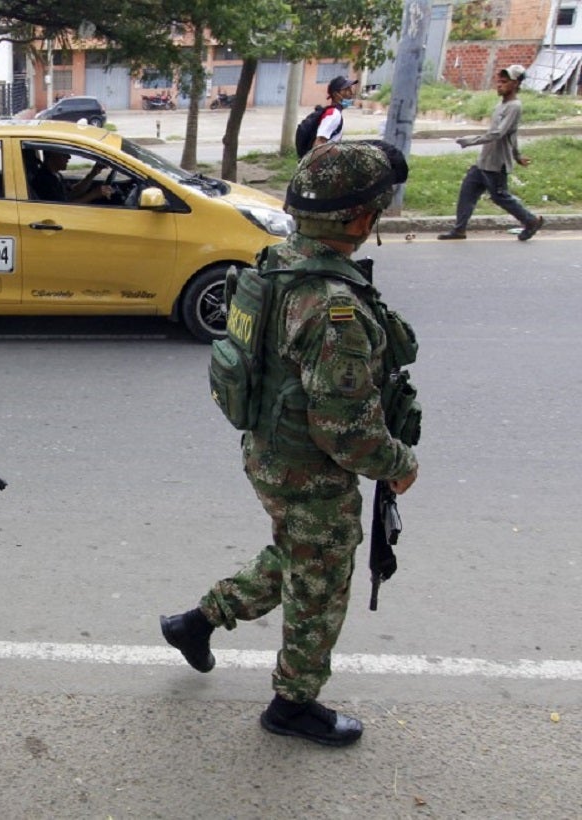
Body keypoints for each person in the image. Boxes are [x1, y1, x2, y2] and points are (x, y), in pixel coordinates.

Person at [160, 141, 419, 747]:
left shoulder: (277, 261)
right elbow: (346, 429)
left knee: (303, 556)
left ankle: (197, 622)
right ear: (359, 220)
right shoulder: (333, 308)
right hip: (309, 464)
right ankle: (293, 704)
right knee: (322, 582)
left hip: (269, 450)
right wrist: (400, 464)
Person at [438, 64, 544, 241]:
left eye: (505, 82)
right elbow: (513, 134)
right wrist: (518, 156)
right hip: (484, 161)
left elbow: (499, 133)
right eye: (499, 81)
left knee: (500, 197)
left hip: (496, 163)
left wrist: (470, 141)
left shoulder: (514, 107)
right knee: (467, 192)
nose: (500, 85)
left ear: (516, 84)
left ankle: (531, 221)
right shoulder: (501, 105)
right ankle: (459, 230)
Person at [30, 149, 113, 203]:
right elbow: (65, 207)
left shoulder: (55, 175)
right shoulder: (43, 181)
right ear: (52, 155)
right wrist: (94, 194)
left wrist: (93, 173)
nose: (69, 157)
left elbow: (73, 192)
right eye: (64, 154)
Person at [314, 76, 358, 149]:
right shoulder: (333, 114)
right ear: (335, 94)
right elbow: (319, 143)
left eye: (351, 88)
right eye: (347, 89)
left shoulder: (336, 112)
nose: (351, 93)